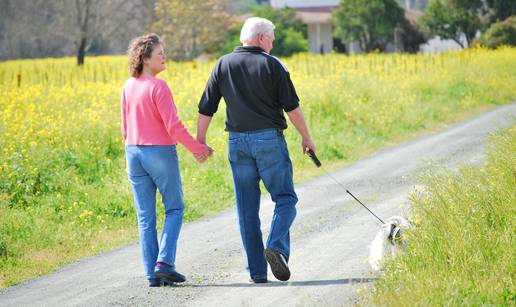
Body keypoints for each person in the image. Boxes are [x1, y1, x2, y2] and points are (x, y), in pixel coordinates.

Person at [196, 17, 316, 283]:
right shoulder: (272, 64)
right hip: (269, 141)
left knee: (246, 209)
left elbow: (206, 107)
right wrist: (306, 137)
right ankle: (276, 247)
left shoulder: (223, 63)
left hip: (237, 143)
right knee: (285, 199)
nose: (272, 44)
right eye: (271, 38)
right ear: (261, 38)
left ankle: (257, 273)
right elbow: (291, 107)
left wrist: (200, 141)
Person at [121, 33, 213, 287]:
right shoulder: (158, 87)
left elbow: (125, 129)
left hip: (133, 153)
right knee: (174, 208)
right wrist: (198, 148)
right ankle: (164, 263)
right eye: (160, 53)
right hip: (159, 152)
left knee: (145, 217)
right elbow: (173, 126)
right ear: (145, 58)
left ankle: (152, 275)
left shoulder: (128, 86)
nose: (164, 56)